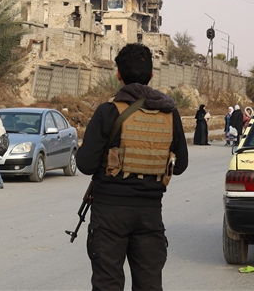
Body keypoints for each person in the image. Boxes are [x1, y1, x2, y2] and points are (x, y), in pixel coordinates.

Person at [76, 43, 188, 291]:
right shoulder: (170, 114)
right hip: (150, 213)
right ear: (152, 75)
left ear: (119, 75)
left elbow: (85, 164)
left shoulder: (108, 112)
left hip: (109, 214)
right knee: (149, 285)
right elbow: (180, 165)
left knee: (107, 283)